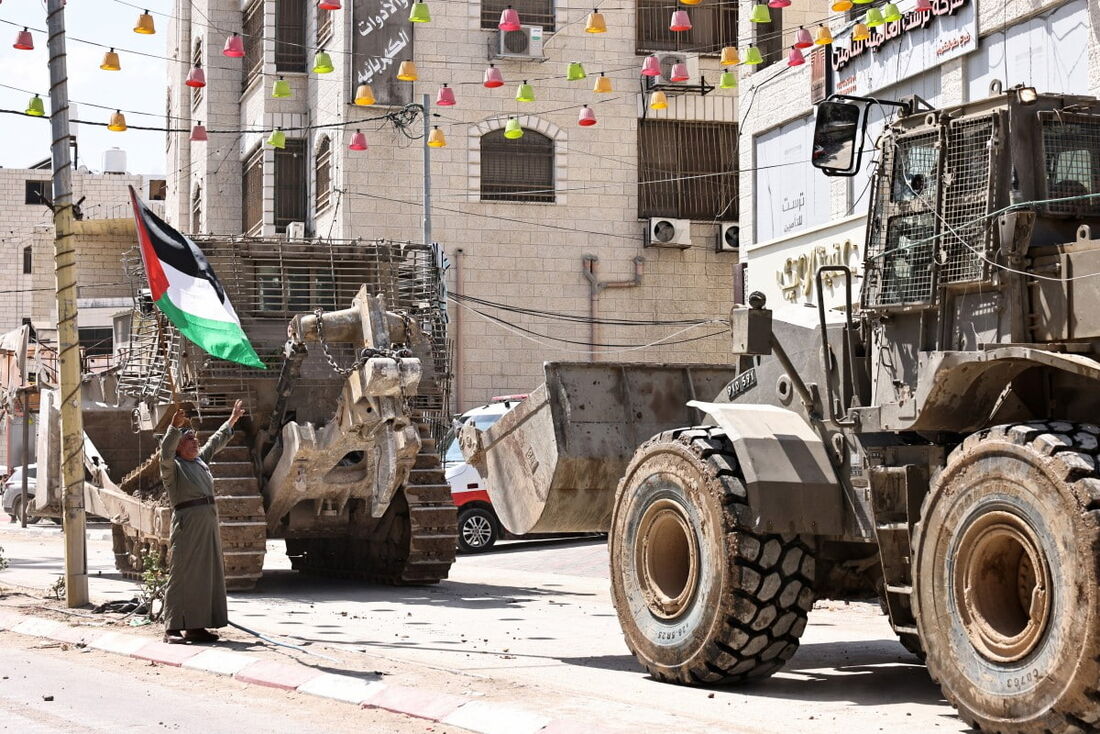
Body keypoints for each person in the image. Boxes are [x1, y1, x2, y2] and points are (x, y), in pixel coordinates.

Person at [160, 399, 246, 644]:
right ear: (178, 446)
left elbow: (214, 443)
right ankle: (172, 627)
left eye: (194, 438)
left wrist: (232, 420)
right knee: (182, 574)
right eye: (188, 439)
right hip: (188, 525)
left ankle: (196, 626)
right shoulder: (173, 468)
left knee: (206, 574)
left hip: (207, 524)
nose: (195, 441)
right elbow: (164, 455)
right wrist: (174, 429)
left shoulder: (199, 462)